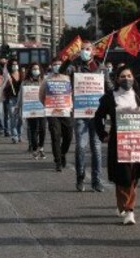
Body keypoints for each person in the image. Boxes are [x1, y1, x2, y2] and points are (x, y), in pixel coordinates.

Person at [95, 65, 140, 225]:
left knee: (133, 177)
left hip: (136, 142)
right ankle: (128, 210)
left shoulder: (137, 96)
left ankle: (125, 206)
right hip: (118, 142)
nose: (126, 79)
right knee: (123, 177)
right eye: (123, 76)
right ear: (117, 79)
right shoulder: (109, 97)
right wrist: (103, 134)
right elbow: (97, 117)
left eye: (129, 76)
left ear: (133, 78)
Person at [60, 41, 106, 192]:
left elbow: (110, 86)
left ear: (93, 52)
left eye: (87, 49)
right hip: (80, 114)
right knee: (80, 147)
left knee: (97, 148)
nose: (84, 52)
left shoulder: (101, 68)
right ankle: (80, 179)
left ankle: (96, 181)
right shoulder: (75, 67)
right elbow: (61, 73)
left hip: (97, 115)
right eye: (82, 49)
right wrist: (68, 59)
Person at [40, 57, 74, 172]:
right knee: (55, 136)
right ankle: (58, 161)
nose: (57, 66)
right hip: (52, 112)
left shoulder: (68, 79)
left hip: (66, 111)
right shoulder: (47, 80)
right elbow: (41, 95)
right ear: (51, 66)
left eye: (59, 64)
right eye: (55, 64)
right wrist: (49, 106)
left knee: (68, 136)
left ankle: (63, 153)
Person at [20, 63, 46, 159]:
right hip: (30, 109)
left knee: (42, 128)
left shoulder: (44, 81)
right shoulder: (25, 82)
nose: (36, 71)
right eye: (34, 69)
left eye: (37, 69)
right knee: (33, 129)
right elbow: (20, 95)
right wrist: (18, 107)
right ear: (30, 70)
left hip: (42, 108)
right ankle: (35, 148)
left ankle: (41, 147)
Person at [2, 59, 23, 143]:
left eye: (16, 64)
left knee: (20, 118)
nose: (15, 66)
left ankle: (19, 134)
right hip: (11, 99)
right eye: (13, 64)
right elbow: (3, 88)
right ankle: (14, 136)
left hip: (20, 99)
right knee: (13, 117)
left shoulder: (22, 75)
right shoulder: (8, 76)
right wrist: (7, 83)